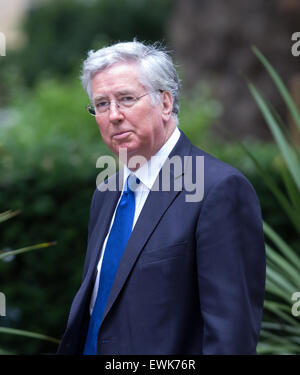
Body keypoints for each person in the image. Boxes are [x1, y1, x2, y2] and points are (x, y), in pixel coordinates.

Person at [57, 40, 266, 355]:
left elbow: (230, 338)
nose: (113, 115)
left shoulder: (219, 190)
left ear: (166, 103)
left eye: (126, 99)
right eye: (101, 104)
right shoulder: (107, 192)